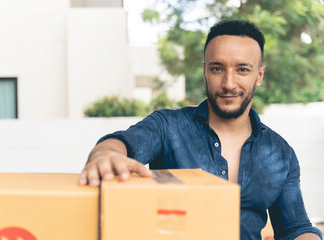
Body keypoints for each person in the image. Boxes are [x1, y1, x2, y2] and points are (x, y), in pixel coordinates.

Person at [79, 20, 322, 240]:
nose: (228, 83)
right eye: (217, 68)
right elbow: (123, 143)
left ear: (258, 76)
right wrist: (105, 154)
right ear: (205, 71)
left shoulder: (280, 152)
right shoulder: (169, 126)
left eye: (242, 70)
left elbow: (294, 228)